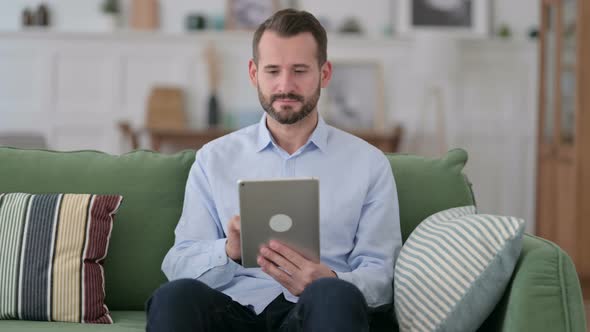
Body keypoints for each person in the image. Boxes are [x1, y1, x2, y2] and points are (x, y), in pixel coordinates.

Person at [146, 9, 401, 332]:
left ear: (324, 74)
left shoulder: (369, 163)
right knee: (174, 296)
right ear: (254, 74)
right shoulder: (213, 159)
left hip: (317, 311)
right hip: (234, 310)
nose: (285, 85)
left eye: (299, 70)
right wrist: (228, 251)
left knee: (333, 295)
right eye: (272, 71)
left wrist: (332, 278)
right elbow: (178, 263)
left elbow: (382, 274)